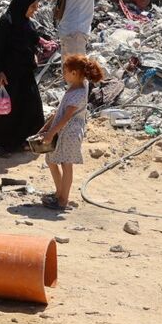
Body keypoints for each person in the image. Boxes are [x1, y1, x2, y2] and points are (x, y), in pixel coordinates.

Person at [36, 55, 105, 210]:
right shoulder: (78, 85)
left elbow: (66, 118)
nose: (63, 74)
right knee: (52, 160)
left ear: (74, 73)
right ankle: (59, 193)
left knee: (66, 164)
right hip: (63, 132)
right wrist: (46, 127)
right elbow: (59, 112)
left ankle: (63, 200)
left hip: (70, 133)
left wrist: (51, 133)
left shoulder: (79, 92)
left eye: (65, 71)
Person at [0, 0, 45, 156]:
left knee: (30, 106)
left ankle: (24, 141)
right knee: (4, 111)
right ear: (22, 6)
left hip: (25, 73)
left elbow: (31, 41)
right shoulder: (6, 22)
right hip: (7, 76)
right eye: (32, 6)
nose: (35, 10)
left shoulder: (26, 22)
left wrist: (34, 53)